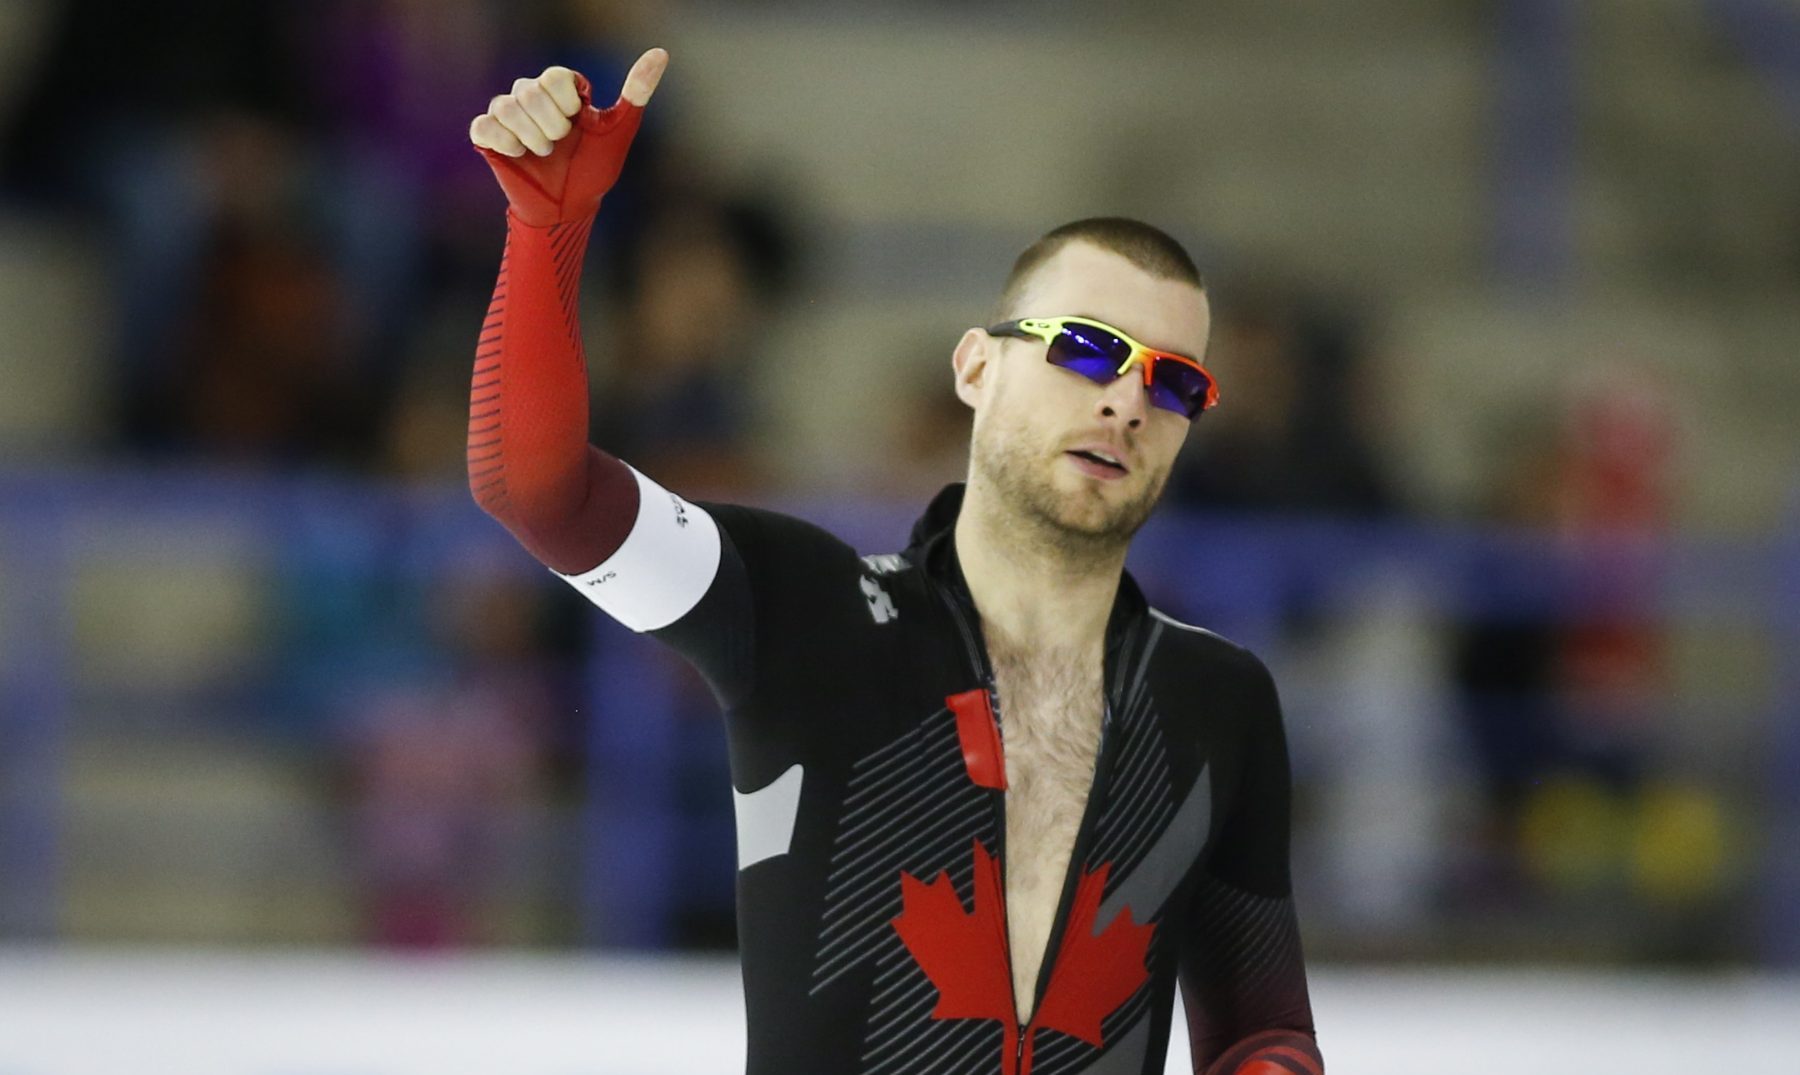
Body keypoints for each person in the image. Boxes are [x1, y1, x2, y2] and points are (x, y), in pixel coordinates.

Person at [465, 48, 1324, 1075]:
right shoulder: (804, 609)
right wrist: (546, 231)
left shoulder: (1217, 698)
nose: (1126, 401)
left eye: (1174, 382)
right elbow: (538, 489)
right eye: (1086, 349)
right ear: (975, 366)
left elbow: (1262, 1031)